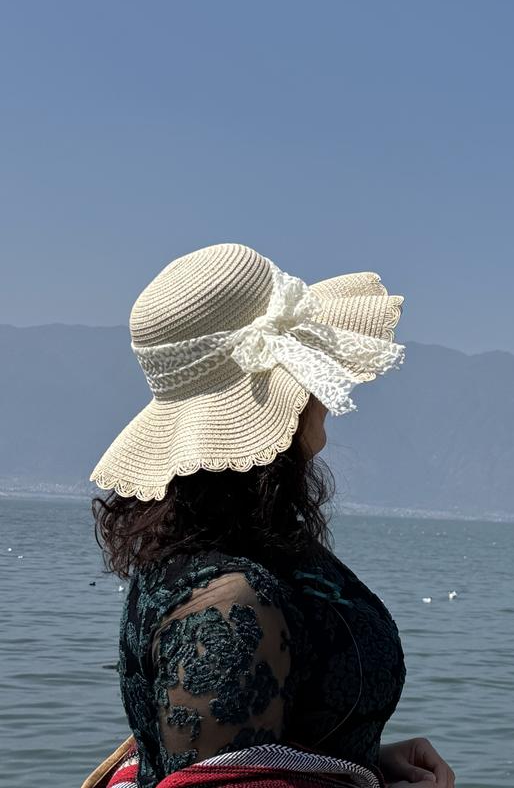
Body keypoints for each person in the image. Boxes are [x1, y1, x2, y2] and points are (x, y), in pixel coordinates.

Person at [89, 243, 455, 788]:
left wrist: (357, 760)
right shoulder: (226, 601)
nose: (327, 391)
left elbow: (260, 743)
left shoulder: (231, 545)